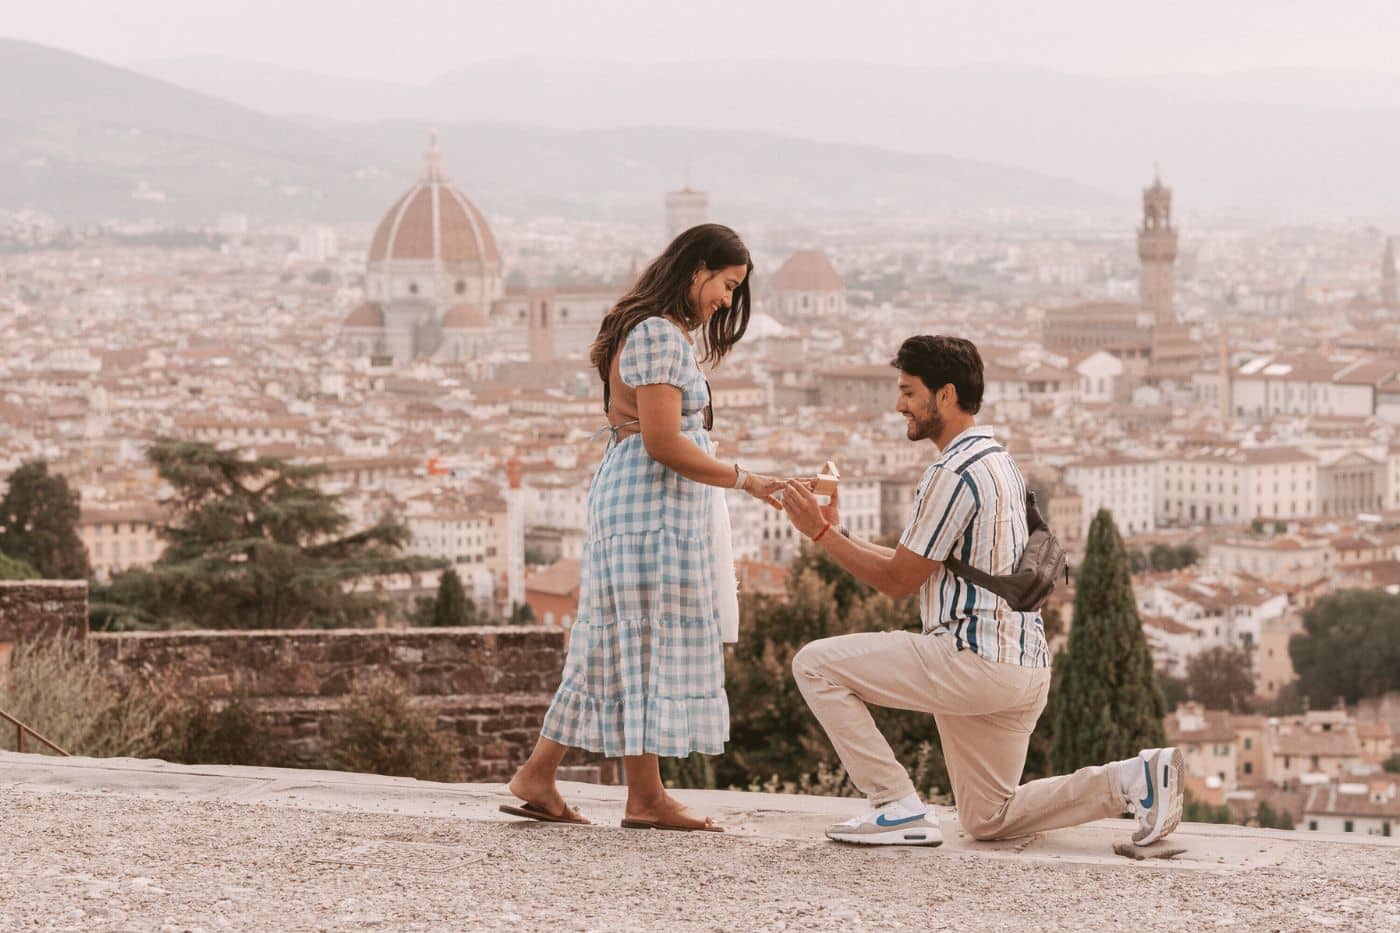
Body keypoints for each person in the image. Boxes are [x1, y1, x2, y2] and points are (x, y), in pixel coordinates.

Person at [779, 335, 1183, 847]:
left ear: (944, 395)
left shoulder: (953, 472)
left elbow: (899, 583)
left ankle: (894, 804)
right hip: (1022, 667)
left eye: (908, 391)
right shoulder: (997, 460)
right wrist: (837, 533)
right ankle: (1133, 780)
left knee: (814, 665)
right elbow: (917, 566)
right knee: (989, 818)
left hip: (972, 659)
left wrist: (818, 533)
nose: (898, 404)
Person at [503, 224, 785, 832]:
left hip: (640, 505)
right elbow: (662, 442)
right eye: (727, 285)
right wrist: (747, 480)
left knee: (615, 642)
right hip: (649, 511)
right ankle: (645, 797)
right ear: (697, 268)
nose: (727, 302)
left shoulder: (646, 329)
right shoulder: (659, 334)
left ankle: (546, 775)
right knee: (643, 641)